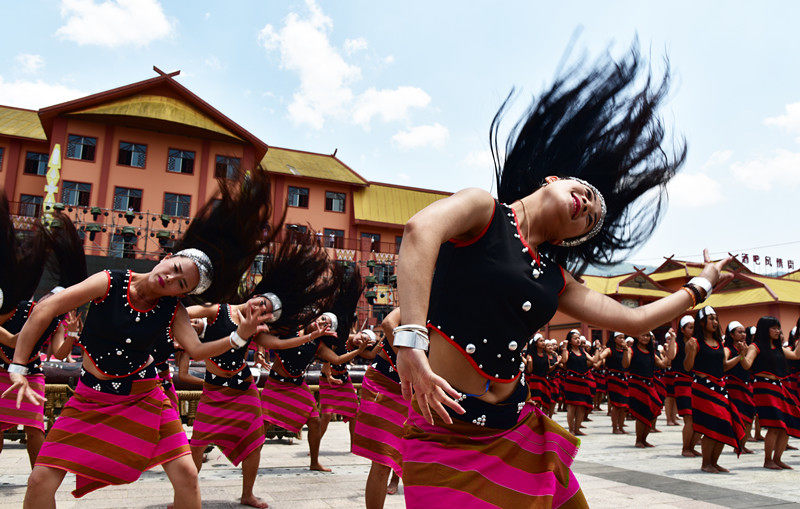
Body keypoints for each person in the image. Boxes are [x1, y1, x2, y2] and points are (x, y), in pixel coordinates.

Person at [394, 45, 730, 508]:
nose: (587, 206)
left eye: (590, 217)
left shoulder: (556, 279)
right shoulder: (482, 211)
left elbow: (633, 321)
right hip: (446, 437)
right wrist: (410, 343)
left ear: (576, 238)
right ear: (553, 180)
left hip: (517, 433)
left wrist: (702, 285)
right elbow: (419, 231)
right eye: (585, 193)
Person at [3, 169, 276, 508]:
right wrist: (18, 366)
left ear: (185, 293)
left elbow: (196, 349)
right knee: (40, 479)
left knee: (188, 476)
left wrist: (239, 337)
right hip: (90, 397)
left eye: (182, 284)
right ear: (166, 258)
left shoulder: (171, 309)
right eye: (174, 269)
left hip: (145, 396)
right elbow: (47, 309)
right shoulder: (109, 281)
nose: (171, 280)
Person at [0, 213, 87, 466]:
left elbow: (59, 353)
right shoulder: (16, 307)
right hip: (2, 371)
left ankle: (36, 477)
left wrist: (71, 334)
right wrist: (19, 339)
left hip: (32, 373)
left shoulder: (55, 319)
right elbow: (11, 338)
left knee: (35, 428)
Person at [352, 308, 406, 509]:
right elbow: (388, 324)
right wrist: (410, 362)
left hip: (416, 387)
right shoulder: (422, 296)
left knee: (420, 459)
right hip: (385, 382)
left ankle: (396, 481)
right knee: (382, 460)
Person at [683, 306, 746, 473]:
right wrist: (690, 350)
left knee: (725, 424)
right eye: (711, 318)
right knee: (712, 426)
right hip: (702, 389)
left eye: (716, 319)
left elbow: (724, 366)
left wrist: (740, 356)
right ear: (702, 322)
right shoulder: (695, 342)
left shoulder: (719, 343)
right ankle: (706, 463)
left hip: (720, 388)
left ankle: (714, 462)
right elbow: (688, 367)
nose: (715, 322)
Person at [740, 316, 800, 469]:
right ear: (765, 329)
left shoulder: (778, 347)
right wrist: (741, 354)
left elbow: (796, 356)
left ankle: (778, 459)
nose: (777, 331)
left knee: (786, 424)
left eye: (778, 328)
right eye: (773, 328)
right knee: (775, 425)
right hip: (764, 388)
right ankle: (768, 460)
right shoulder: (756, 346)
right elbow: (747, 364)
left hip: (778, 387)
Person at [318, 269, 367, 443]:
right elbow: (329, 356)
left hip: (343, 377)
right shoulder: (330, 325)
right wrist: (328, 372)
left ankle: (354, 446)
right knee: (326, 415)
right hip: (329, 377)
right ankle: (314, 448)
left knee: (354, 412)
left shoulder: (344, 322)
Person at [627, 332, 670, 448]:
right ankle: (638, 440)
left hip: (649, 385)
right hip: (636, 385)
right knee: (641, 413)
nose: (645, 338)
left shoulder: (652, 353)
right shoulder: (632, 350)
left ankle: (644, 439)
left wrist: (669, 350)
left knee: (654, 409)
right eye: (643, 335)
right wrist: (626, 350)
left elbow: (663, 364)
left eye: (647, 336)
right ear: (637, 337)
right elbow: (626, 364)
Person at [669, 315, 701, 457]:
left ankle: (692, 447)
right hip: (682, 382)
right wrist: (672, 339)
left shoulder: (697, 343)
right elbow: (670, 356)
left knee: (698, 418)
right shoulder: (677, 344)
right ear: (682, 330)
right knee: (689, 417)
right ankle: (685, 448)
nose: (693, 330)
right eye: (690, 327)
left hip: (696, 383)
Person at [560, 330, 601, 435]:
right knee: (572, 406)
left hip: (582, 381)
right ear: (570, 340)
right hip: (571, 381)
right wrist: (564, 347)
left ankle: (577, 429)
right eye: (575, 338)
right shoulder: (568, 351)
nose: (578, 340)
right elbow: (564, 360)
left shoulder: (583, 351)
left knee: (581, 406)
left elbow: (594, 360)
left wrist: (597, 348)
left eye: (578, 338)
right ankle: (571, 429)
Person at [723, 321, 755, 454]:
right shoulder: (727, 349)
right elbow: (724, 365)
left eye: (744, 332)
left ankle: (742, 443)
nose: (743, 335)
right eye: (739, 332)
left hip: (746, 385)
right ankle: (737, 444)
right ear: (731, 334)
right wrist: (740, 356)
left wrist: (744, 353)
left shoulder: (746, 347)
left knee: (749, 415)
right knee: (739, 416)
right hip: (734, 386)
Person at [598, 332, 632, 434]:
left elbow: (626, 364)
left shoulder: (627, 350)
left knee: (624, 405)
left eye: (623, 338)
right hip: (613, 379)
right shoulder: (609, 350)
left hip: (623, 378)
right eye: (620, 338)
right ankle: (614, 427)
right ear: (614, 339)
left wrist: (626, 350)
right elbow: (601, 356)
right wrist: (599, 351)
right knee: (616, 405)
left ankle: (621, 426)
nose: (622, 340)